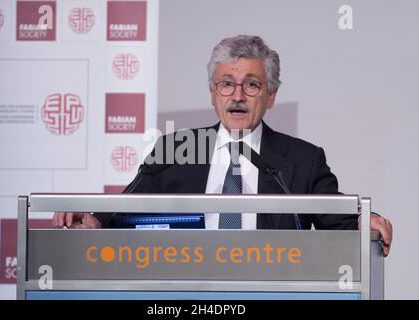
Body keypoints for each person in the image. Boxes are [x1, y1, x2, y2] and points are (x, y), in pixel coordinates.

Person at [53, 35, 392, 256]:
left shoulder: (302, 159)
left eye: (252, 85)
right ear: (213, 94)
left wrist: (365, 222)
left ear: (271, 96)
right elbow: (126, 209)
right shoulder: (177, 149)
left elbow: (338, 217)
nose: (238, 96)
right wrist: (95, 221)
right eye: (227, 84)